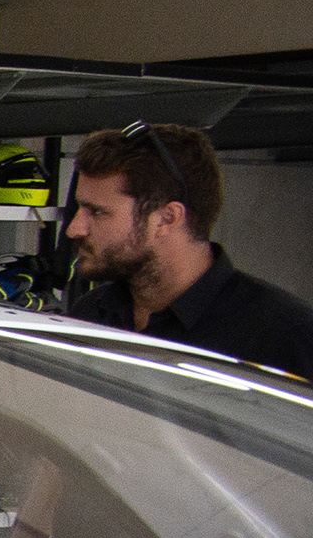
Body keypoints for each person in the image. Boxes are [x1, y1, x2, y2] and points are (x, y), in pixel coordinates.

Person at [64, 120, 313, 378]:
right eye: (80, 209)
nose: (74, 229)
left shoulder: (284, 338)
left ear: (166, 218)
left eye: (97, 212)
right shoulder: (91, 313)